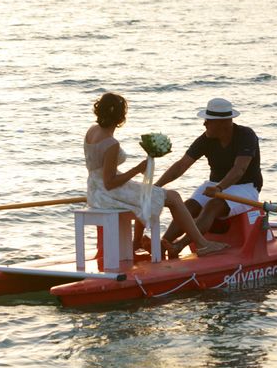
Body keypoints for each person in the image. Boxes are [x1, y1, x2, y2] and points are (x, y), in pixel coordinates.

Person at [84, 92, 228, 258]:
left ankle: (136, 242)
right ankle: (203, 244)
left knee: (146, 192)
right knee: (173, 197)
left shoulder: (92, 131)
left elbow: (102, 173)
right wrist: (138, 169)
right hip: (107, 193)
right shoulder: (111, 143)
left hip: (94, 190)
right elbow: (109, 182)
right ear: (120, 117)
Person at [155, 97, 262, 257]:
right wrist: (156, 186)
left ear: (224, 123)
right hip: (214, 184)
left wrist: (220, 188)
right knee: (187, 206)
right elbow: (181, 165)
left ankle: (180, 246)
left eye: (208, 120)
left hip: (245, 187)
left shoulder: (246, 135)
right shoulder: (206, 138)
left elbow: (239, 169)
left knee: (212, 205)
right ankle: (162, 245)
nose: (204, 124)